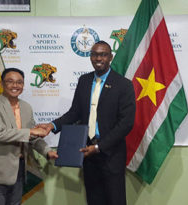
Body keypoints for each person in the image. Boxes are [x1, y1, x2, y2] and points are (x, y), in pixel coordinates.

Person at [39, 41, 136, 205]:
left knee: (115, 200)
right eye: (95, 54)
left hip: (111, 154)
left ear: (110, 57)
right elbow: (74, 112)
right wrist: (52, 125)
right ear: (90, 57)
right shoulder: (84, 81)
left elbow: (126, 123)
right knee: (93, 200)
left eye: (103, 54)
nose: (99, 58)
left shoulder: (124, 84)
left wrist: (99, 147)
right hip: (86, 152)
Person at [0, 68, 58, 205]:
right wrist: (32, 132)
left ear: (23, 85)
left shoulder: (26, 107)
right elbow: (0, 133)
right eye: (10, 81)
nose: (15, 85)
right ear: (1, 84)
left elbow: (33, 138)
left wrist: (48, 151)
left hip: (20, 169)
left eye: (19, 82)